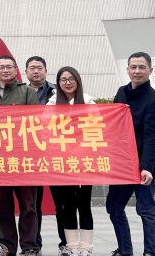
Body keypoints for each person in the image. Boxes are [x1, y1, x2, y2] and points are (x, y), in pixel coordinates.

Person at [106, 53, 155, 256]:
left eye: (142, 67)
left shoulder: (154, 100)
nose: (137, 71)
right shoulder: (121, 92)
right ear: (127, 70)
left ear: (150, 70)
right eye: (133, 67)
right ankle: (125, 250)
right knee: (114, 207)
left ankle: (151, 252)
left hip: (143, 165)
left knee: (145, 210)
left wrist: (146, 167)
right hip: (122, 164)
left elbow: (151, 136)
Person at [0, 55, 41, 256]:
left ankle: (30, 246)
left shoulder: (26, 92)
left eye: (9, 67)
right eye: (1, 67)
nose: (5, 70)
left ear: (15, 70)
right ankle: (7, 246)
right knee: (3, 206)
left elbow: (37, 122)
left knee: (28, 205)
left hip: (24, 159)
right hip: (0, 160)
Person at [47, 67, 96, 256]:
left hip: (84, 163)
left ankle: (86, 248)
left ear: (78, 80)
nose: (67, 83)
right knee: (66, 206)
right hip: (61, 164)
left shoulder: (89, 102)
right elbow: (44, 132)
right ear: (58, 83)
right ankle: (73, 247)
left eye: (71, 79)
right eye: (63, 80)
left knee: (84, 206)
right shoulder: (52, 104)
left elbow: (98, 129)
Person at [25, 56, 65, 255]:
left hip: (55, 153)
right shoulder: (21, 93)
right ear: (26, 72)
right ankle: (35, 244)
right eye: (32, 68)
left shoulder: (58, 93)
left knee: (62, 203)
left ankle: (65, 243)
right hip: (31, 155)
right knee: (33, 204)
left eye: (39, 68)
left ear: (46, 71)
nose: (36, 71)